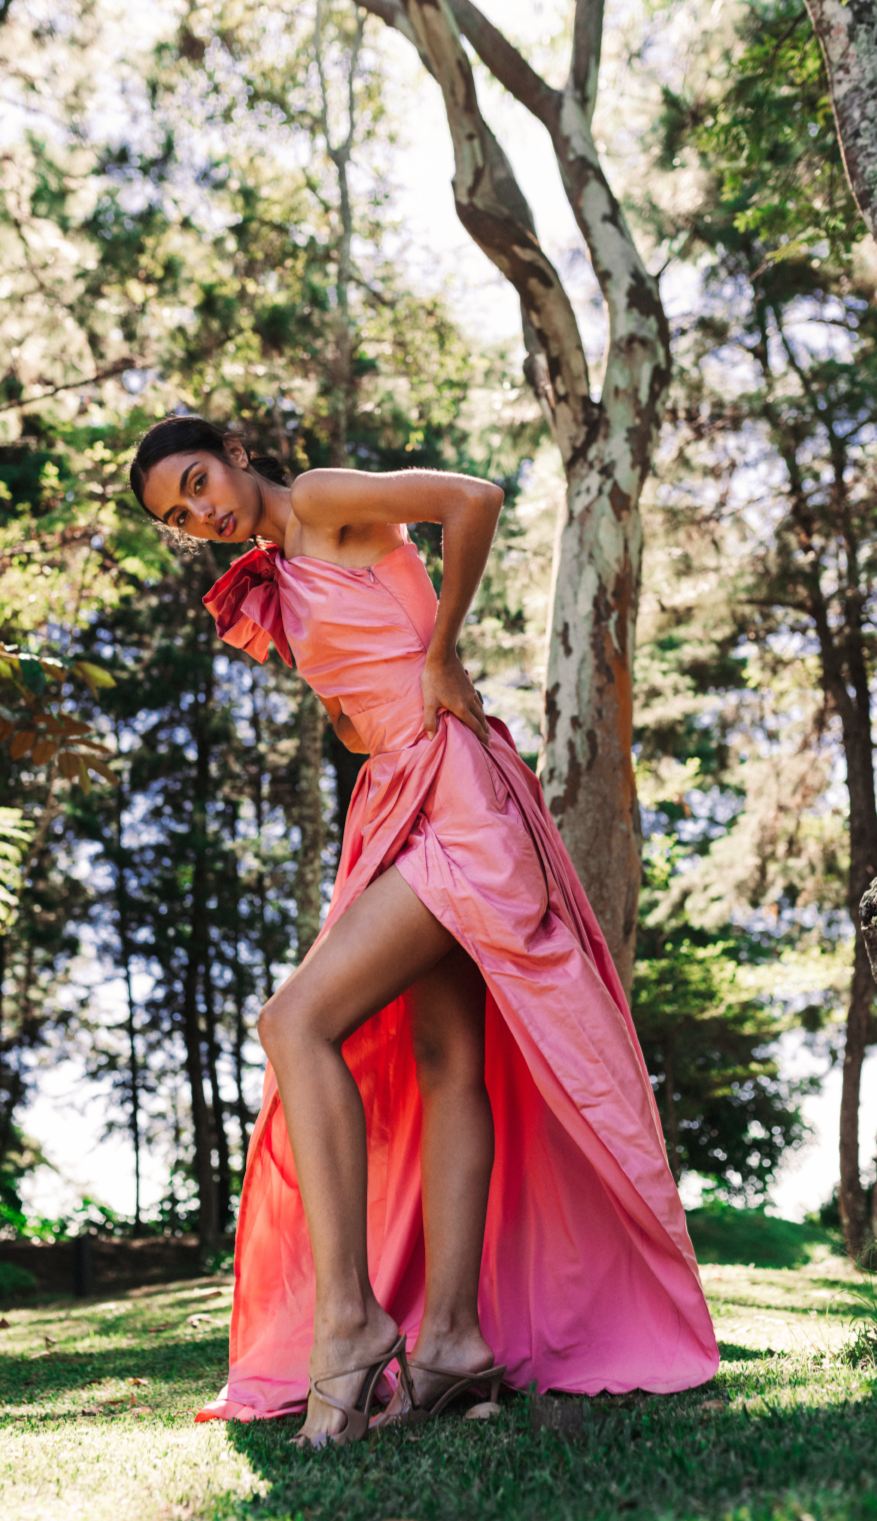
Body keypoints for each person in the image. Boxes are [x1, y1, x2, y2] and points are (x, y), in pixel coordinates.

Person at [130, 414, 719, 1449]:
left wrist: (440, 655)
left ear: (229, 451)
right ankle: (450, 1345)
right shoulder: (278, 566)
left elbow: (473, 500)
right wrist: (371, 710)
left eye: (196, 481)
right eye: (181, 516)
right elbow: (359, 701)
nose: (202, 512)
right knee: (448, 1060)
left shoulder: (314, 499)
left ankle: (351, 1323)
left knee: (294, 1024)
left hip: (451, 796)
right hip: (404, 797)